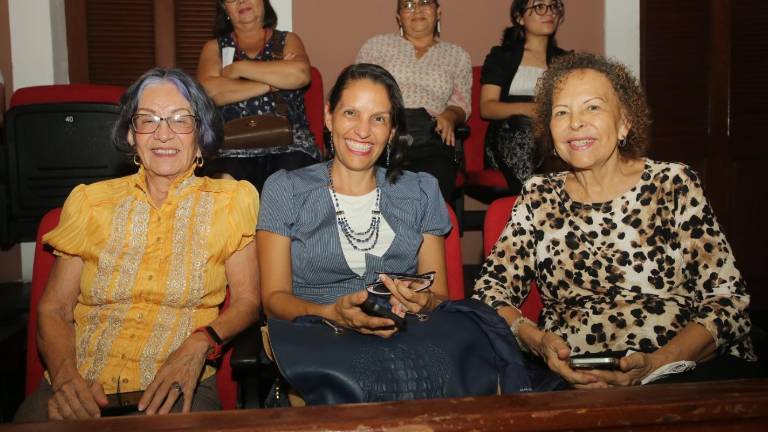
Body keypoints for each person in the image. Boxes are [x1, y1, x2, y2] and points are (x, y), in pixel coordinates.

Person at [473, 52, 758, 388]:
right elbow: (490, 292)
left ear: (624, 121)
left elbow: (728, 300)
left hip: (681, 372)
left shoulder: (672, 183)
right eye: (561, 112)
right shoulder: (539, 195)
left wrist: (658, 363)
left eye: (592, 107)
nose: (575, 122)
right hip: (570, 378)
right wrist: (537, 341)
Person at [14, 68, 260, 422]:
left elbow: (250, 302)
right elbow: (53, 309)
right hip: (78, 386)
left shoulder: (233, 201)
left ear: (200, 132)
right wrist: (66, 378)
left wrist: (199, 343)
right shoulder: (89, 203)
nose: (163, 134)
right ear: (131, 134)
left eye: (179, 120)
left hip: (173, 386)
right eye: (148, 120)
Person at [258, 63, 451, 337]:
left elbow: (439, 296)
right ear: (328, 116)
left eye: (379, 119)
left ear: (392, 131)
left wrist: (425, 301)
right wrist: (330, 314)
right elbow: (274, 300)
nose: (363, 131)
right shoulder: (285, 189)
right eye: (351, 113)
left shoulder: (422, 191)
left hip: (403, 342)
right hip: (315, 342)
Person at [355, 0, 472, 202]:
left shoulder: (457, 55)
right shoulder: (377, 46)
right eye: (408, 4)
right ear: (399, 17)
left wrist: (450, 116)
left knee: (432, 191)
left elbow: (462, 105)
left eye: (425, 3)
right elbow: (357, 90)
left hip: (431, 138)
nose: (417, 9)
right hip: (383, 137)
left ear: (438, 12)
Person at [197, 0, 320, 192]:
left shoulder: (288, 40)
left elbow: (300, 75)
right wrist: (272, 83)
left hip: (290, 145)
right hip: (231, 148)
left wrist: (237, 68)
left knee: (289, 183)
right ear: (224, 9)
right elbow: (211, 92)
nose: (241, 1)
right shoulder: (214, 48)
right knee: (225, 184)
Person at [480, 0, 567, 194]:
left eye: (553, 7)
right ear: (519, 17)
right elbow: (487, 107)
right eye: (539, 7)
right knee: (523, 124)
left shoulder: (565, 61)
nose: (549, 13)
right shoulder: (502, 56)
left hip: (551, 137)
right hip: (510, 137)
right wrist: (528, 109)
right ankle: (537, 196)